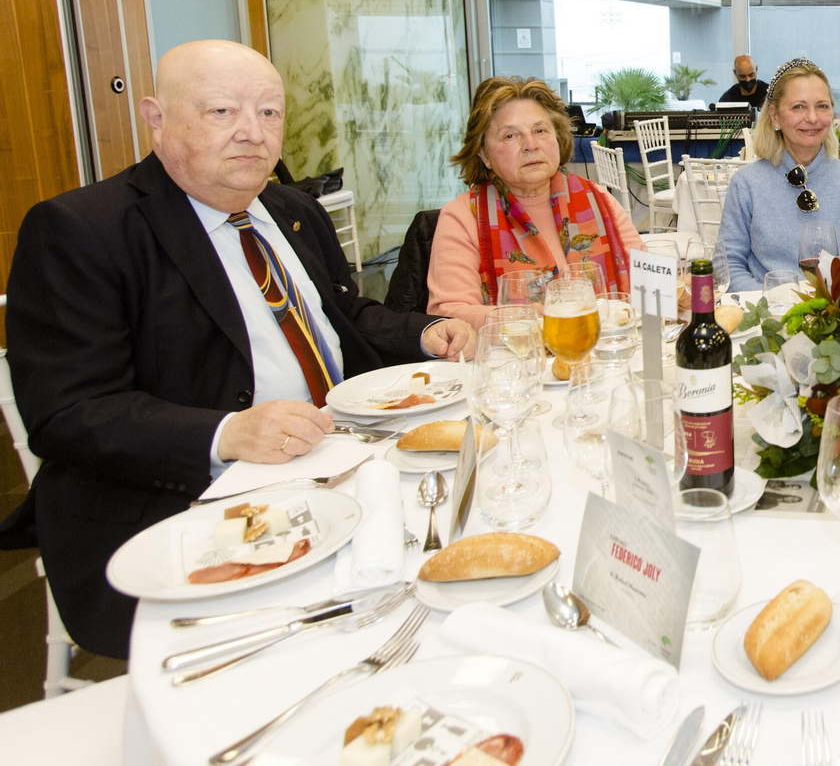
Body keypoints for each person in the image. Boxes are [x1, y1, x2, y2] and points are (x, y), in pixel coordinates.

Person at [0, 40, 474, 658]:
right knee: (367, 625)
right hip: (182, 504)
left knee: (466, 547)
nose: (253, 132)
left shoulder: (292, 208)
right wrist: (228, 432)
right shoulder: (82, 230)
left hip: (337, 459)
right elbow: (68, 413)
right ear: (156, 118)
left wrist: (421, 333)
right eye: (222, 111)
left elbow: (341, 315)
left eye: (269, 112)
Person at [428, 76, 645, 329]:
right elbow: (450, 314)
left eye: (540, 131)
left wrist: (676, 292)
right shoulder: (463, 217)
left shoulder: (598, 199)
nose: (530, 145)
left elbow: (646, 280)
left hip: (607, 348)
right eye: (510, 135)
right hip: (515, 352)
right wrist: (521, 318)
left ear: (557, 137)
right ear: (484, 154)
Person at [719, 57, 840, 292]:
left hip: (835, 311)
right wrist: (775, 302)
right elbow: (727, 265)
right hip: (765, 309)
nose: (812, 118)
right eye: (798, 107)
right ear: (774, 116)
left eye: (822, 106)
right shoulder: (746, 184)